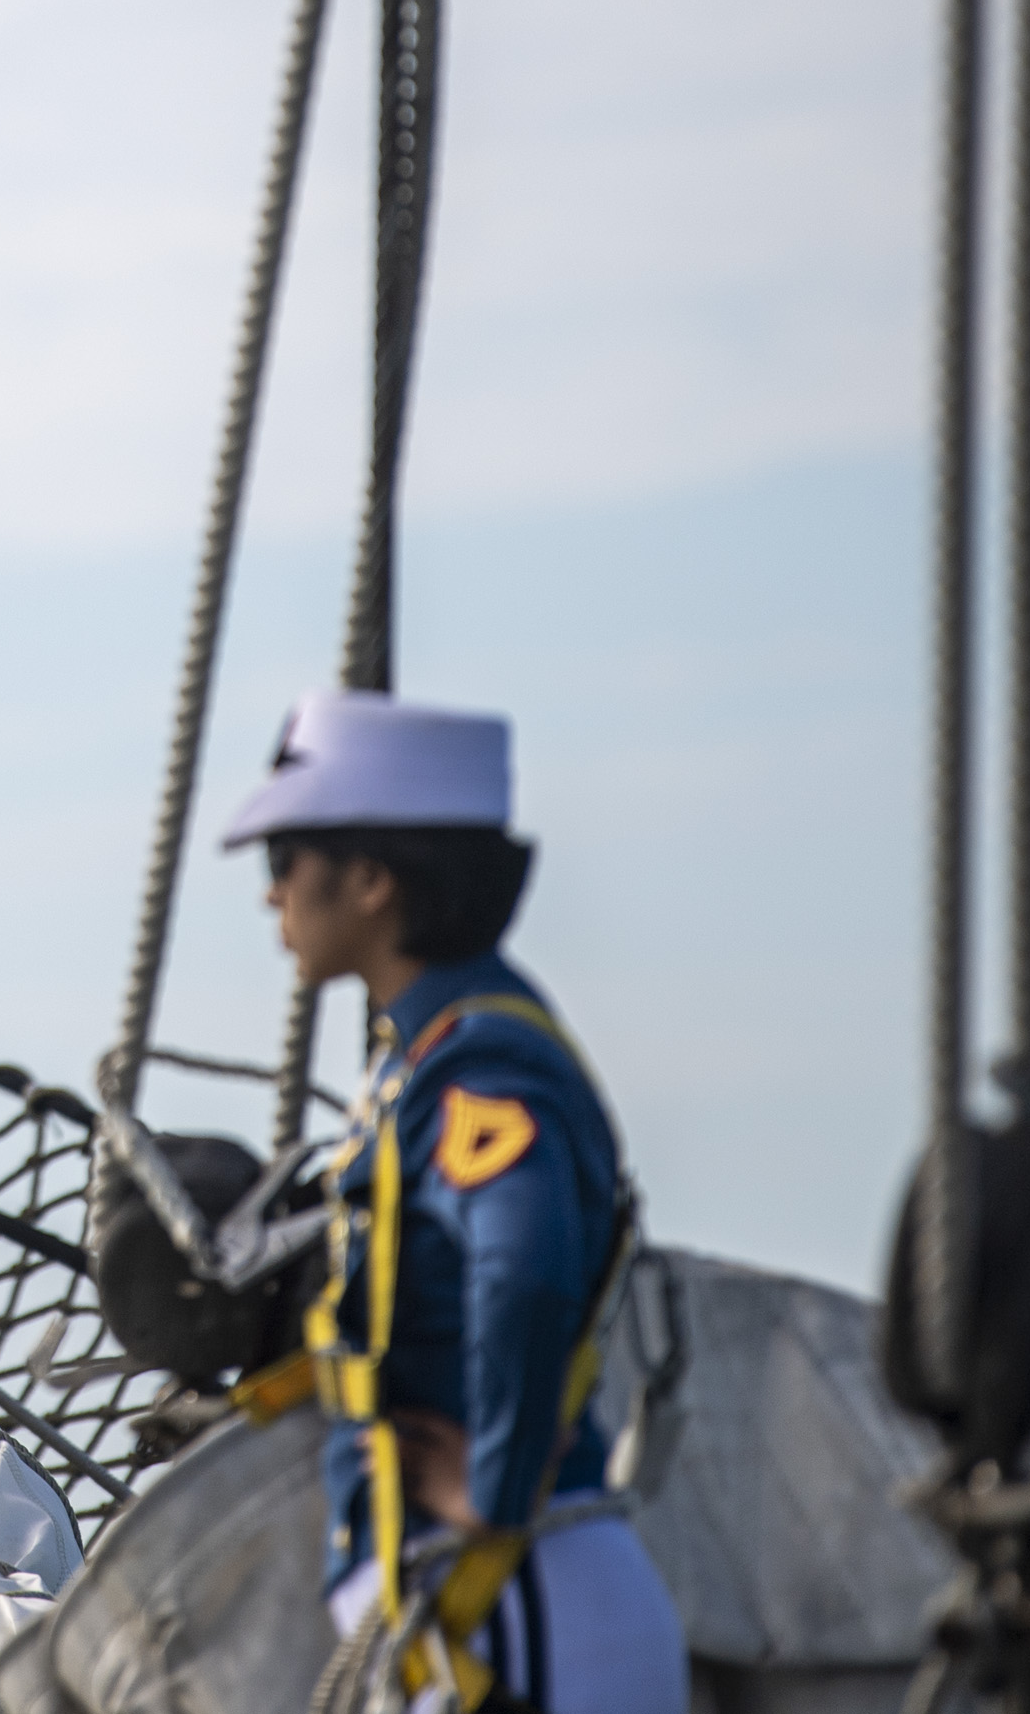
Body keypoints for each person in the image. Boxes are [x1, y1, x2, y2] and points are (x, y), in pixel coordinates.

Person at [219, 689, 686, 1714]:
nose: (271, 898)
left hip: (513, 1605)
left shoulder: (478, 1068)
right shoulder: (430, 1056)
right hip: (480, 1609)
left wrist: (496, 1486)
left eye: (283, 862)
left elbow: (519, 1272)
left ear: (373, 880)